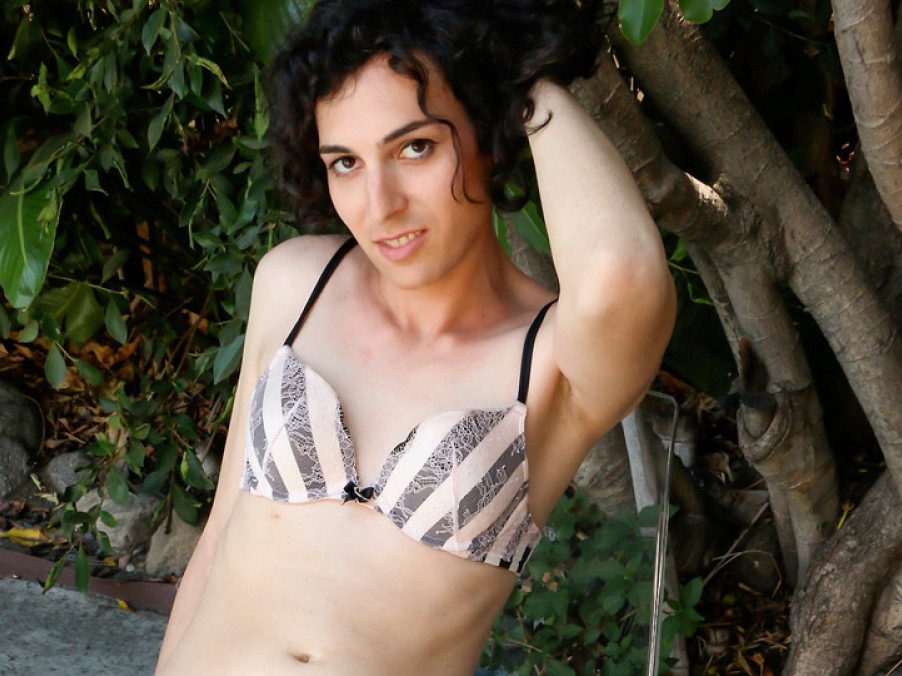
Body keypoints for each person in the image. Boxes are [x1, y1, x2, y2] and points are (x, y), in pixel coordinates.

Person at [156, 0, 676, 672]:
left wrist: (519, 74)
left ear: (489, 130)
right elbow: (219, 537)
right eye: (345, 162)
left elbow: (621, 276)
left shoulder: (554, 365)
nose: (381, 206)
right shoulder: (295, 282)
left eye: (415, 147)